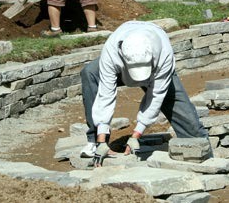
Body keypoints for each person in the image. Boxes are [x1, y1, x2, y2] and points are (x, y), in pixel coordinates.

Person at [79, 20, 209, 164]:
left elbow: (156, 96)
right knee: (90, 72)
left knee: (191, 127)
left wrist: (136, 134)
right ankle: (96, 141)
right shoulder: (111, 52)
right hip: (121, 68)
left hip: (156, 73)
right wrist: (101, 137)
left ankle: (203, 152)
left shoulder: (163, 52)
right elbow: (106, 94)